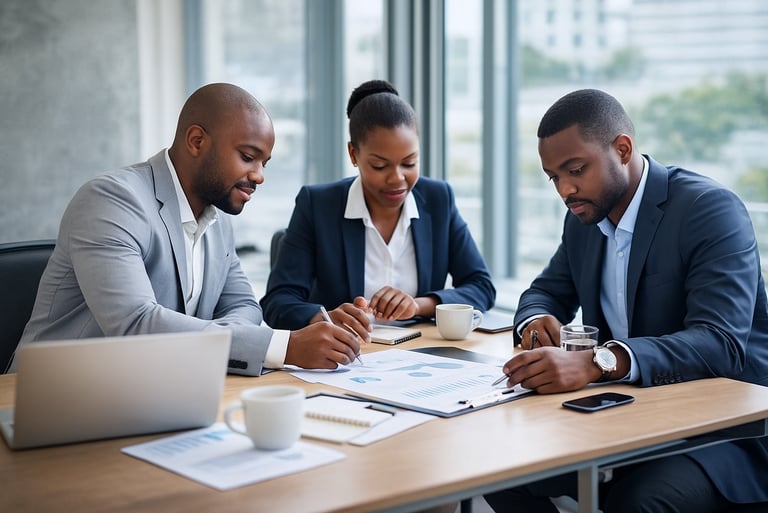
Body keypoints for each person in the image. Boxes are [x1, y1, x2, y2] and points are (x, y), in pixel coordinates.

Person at [485, 89, 768, 512]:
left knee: (640, 501)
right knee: (502, 469)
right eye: (553, 177)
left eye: (575, 169)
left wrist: (599, 361)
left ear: (622, 149)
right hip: (628, 415)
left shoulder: (708, 209)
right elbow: (544, 290)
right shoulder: (584, 216)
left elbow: (719, 343)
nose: (565, 189)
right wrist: (536, 320)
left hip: (722, 431)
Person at [9, 83, 360, 375]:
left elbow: (245, 307)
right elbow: (135, 325)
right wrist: (282, 346)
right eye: (248, 156)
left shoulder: (217, 217)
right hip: (50, 396)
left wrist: (212, 337)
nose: (259, 176)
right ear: (196, 141)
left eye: (264, 163)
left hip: (155, 390)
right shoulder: (111, 200)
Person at [260, 79, 495, 341]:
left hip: (420, 353)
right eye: (380, 166)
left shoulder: (438, 199)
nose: (397, 178)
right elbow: (277, 303)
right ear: (353, 154)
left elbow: (481, 286)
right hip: (345, 356)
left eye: (409, 163)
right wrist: (323, 316)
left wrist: (418, 304)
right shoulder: (317, 205)